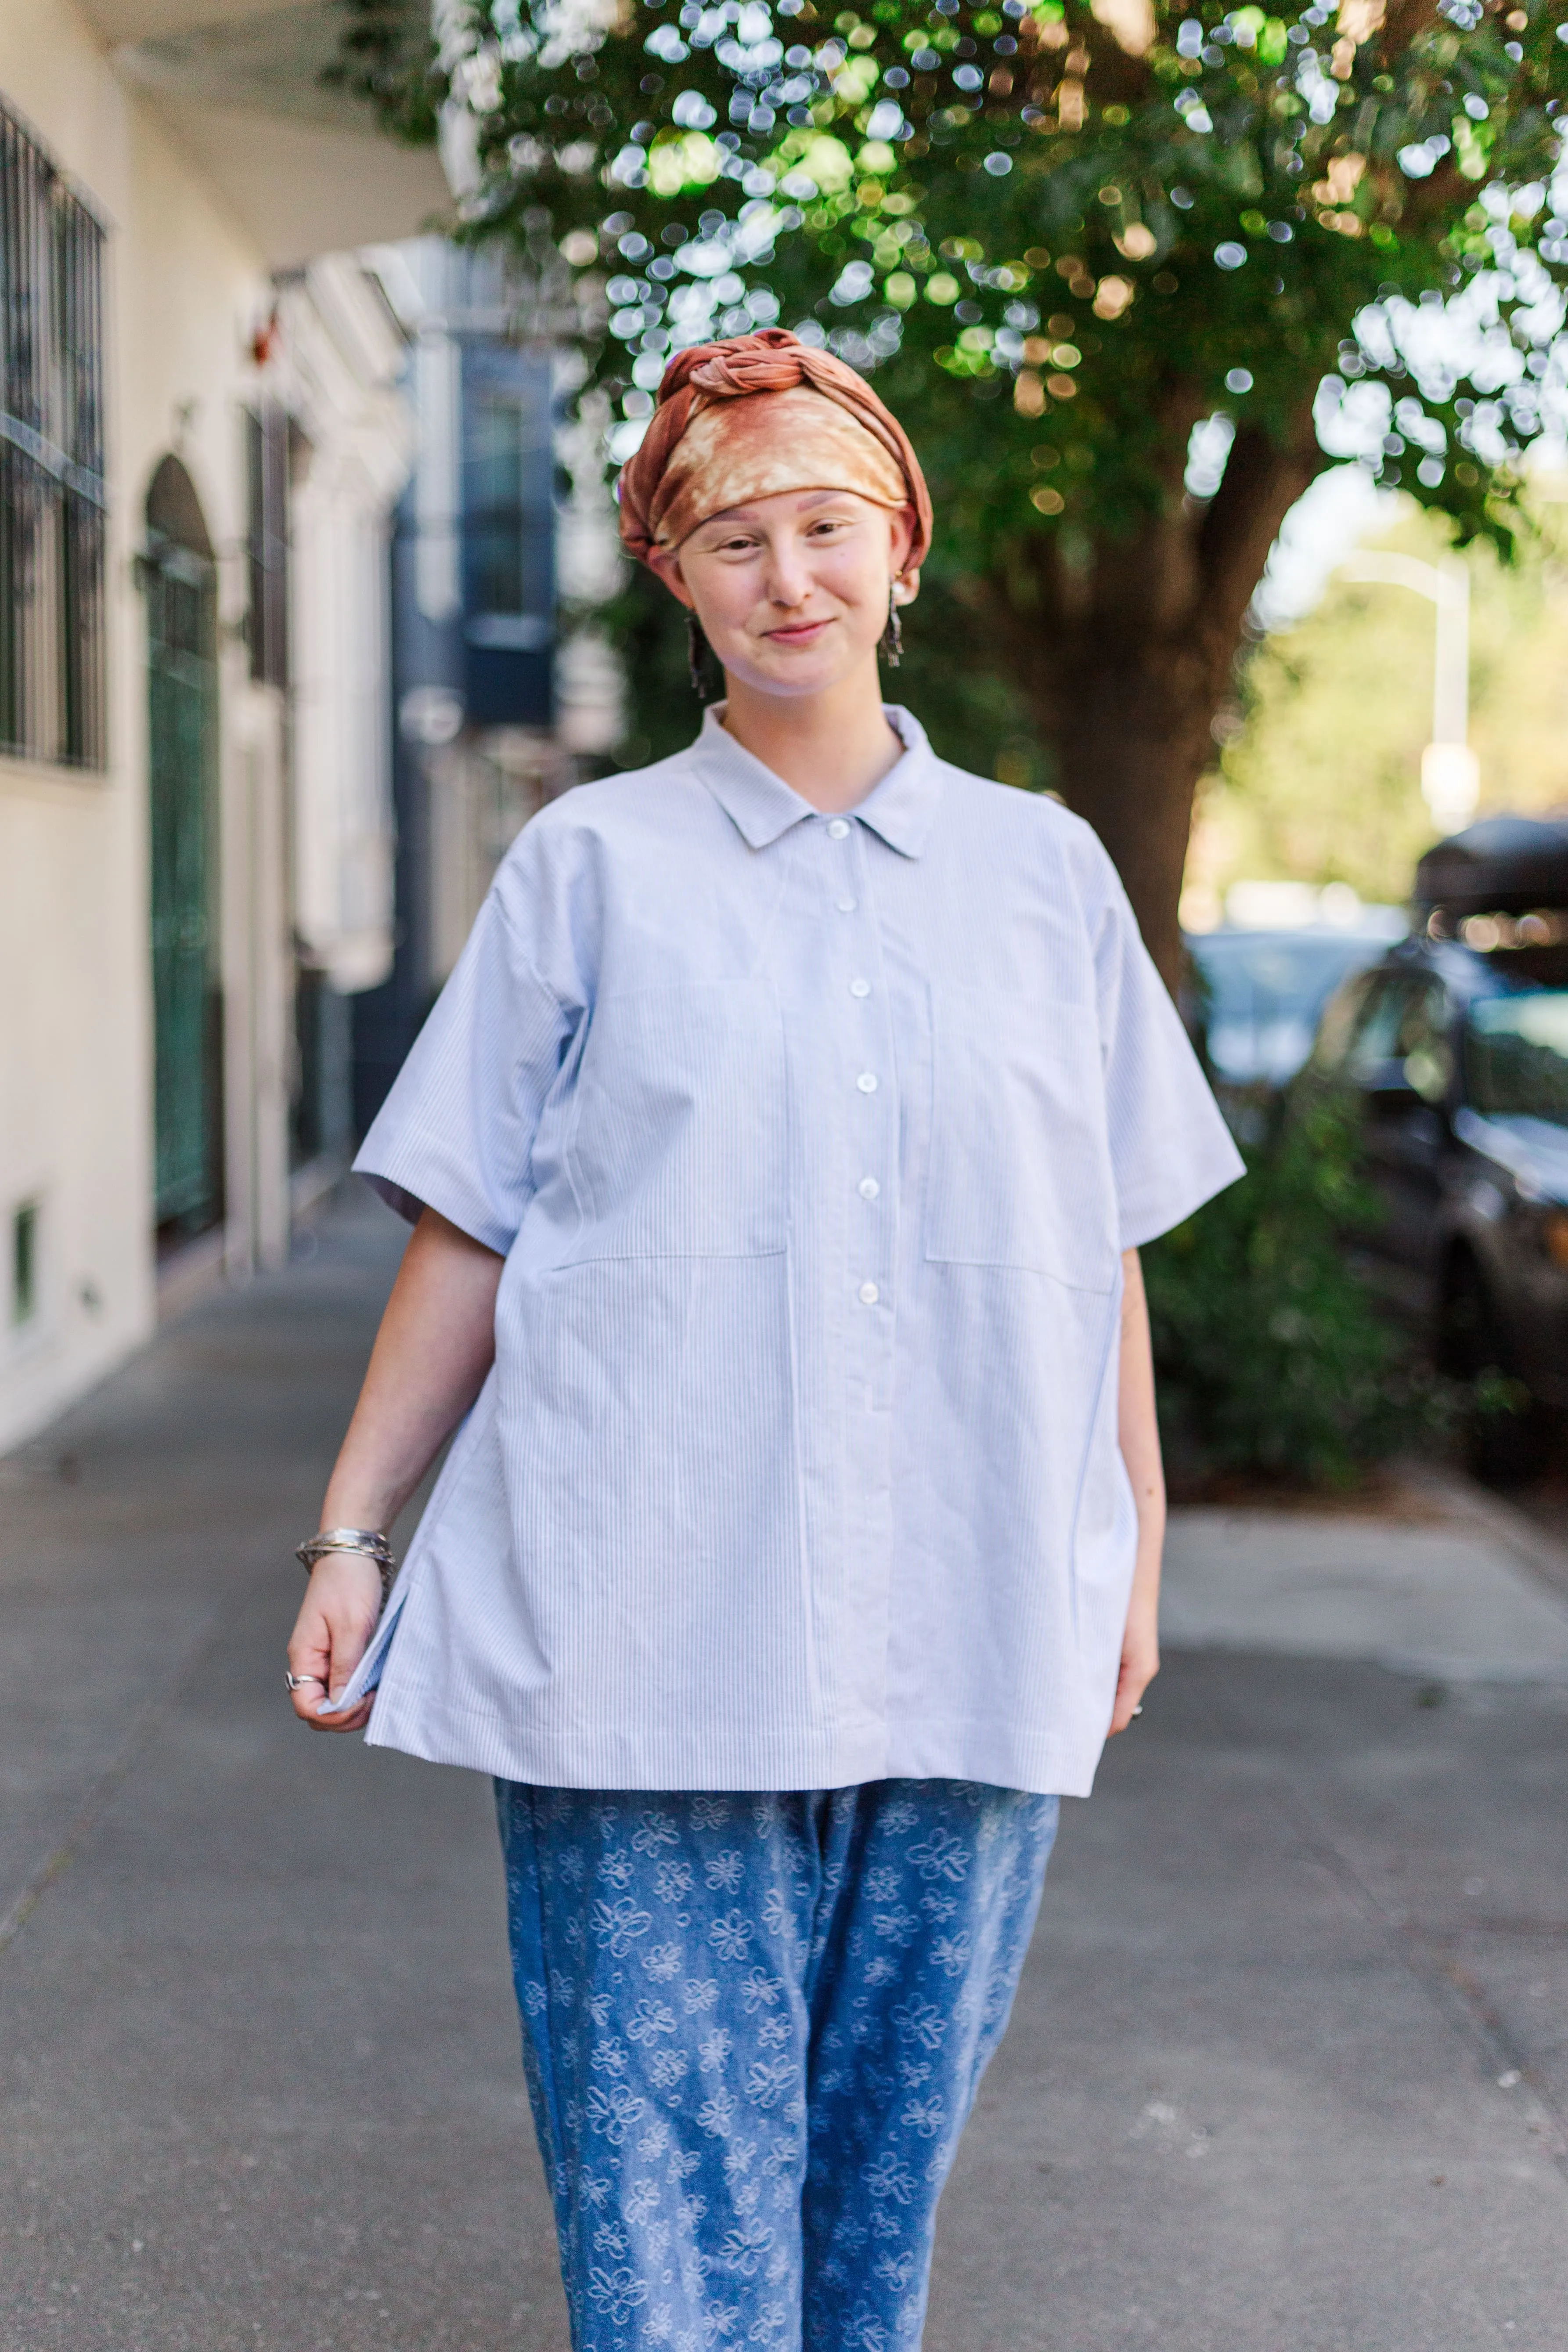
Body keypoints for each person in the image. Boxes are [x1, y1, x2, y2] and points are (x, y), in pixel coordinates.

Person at [285, 326, 1243, 2352]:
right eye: (735, 538)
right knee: (667, 2252)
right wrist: (356, 1529)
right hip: (644, 1628)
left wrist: (1134, 1552)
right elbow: (470, 1223)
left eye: (824, 527)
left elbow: (1104, 1247)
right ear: (677, 574)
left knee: (871, 2233)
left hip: (974, 1617)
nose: (785, 575)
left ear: (900, 548)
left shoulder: (1043, 876)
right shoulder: (589, 867)